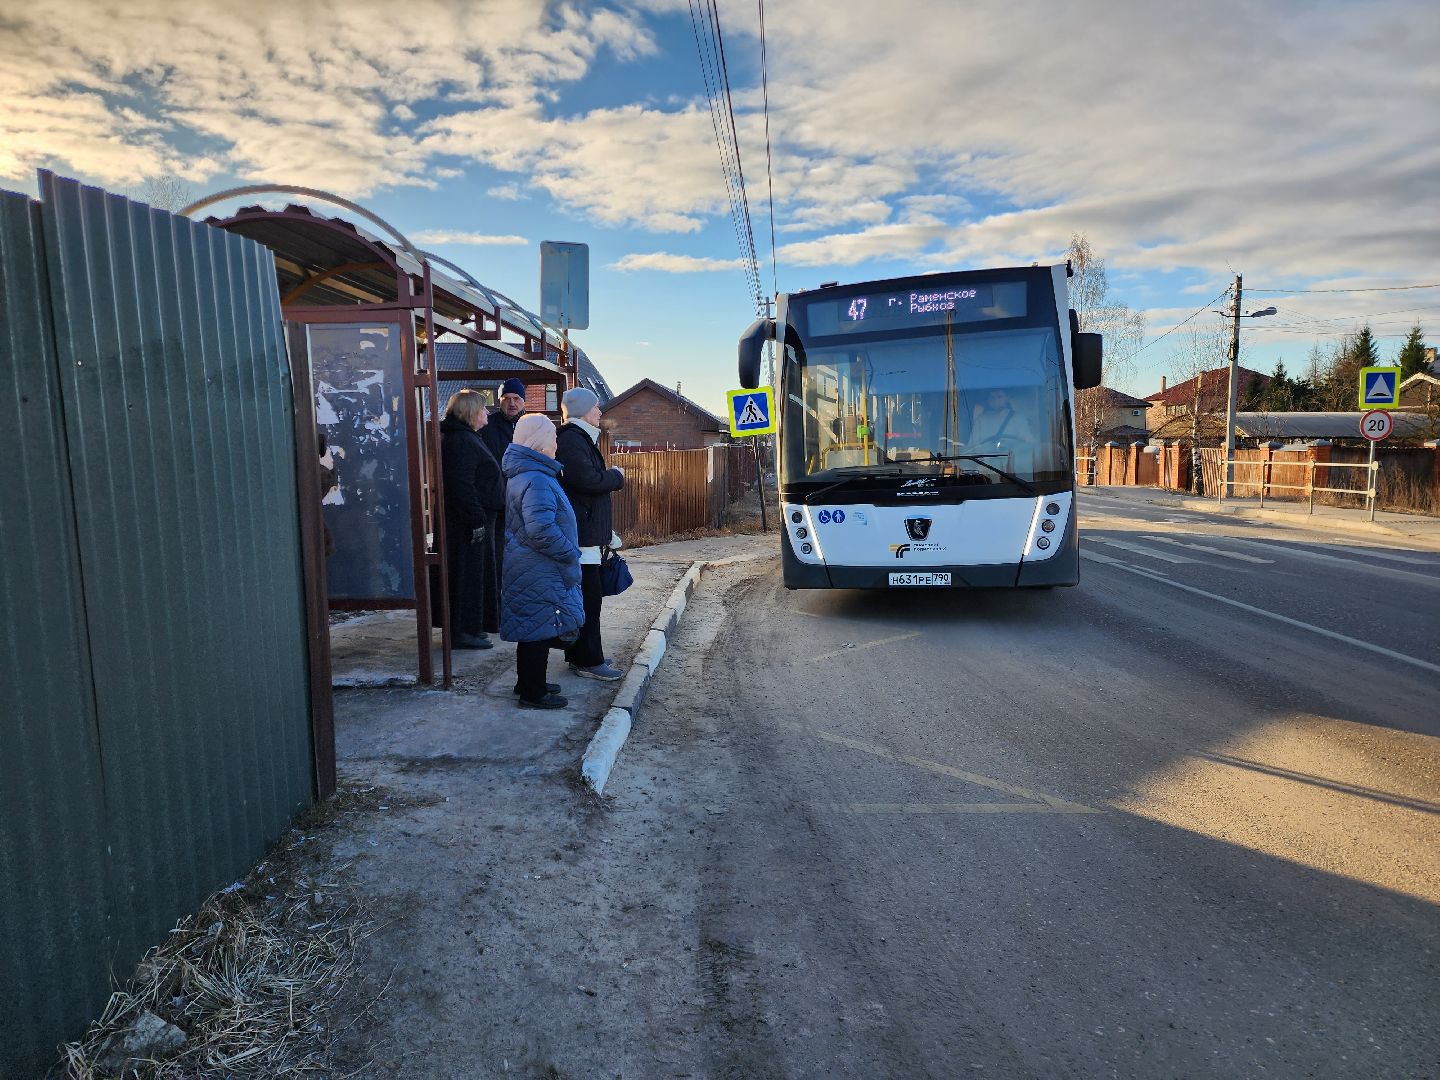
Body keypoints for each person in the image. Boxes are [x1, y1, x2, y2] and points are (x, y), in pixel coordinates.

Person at [500, 414, 584, 709]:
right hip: (539, 565)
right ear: (537, 441)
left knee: (533, 625)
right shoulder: (536, 478)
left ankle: (528, 682)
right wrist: (569, 552)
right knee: (538, 627)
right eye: (552, 436)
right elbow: (541, 529)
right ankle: (532, 693)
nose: (556, 442)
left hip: (530, 564)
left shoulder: (530, 473)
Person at [554, 387, 626, 681]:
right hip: (581, 539)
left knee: (586, 599)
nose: (600, 412)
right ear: (584, 410)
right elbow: (585, 480)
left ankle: (581, 656)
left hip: (586, 535)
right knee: (589, 601)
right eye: (596, 407)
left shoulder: (579, 438)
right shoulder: (573, 439)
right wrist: (616, 476)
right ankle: (589, 660)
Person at [440, 389, 504, 650]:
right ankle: (463, 630)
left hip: (476, 520)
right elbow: (462, 485)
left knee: (476, 575)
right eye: (483, 408)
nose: (487, 412)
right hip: (468, 524)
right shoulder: (462, 441)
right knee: (467, 576)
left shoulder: (466, 437)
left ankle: (472, 628)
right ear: (470, 412)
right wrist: (476, 521)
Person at [969, 388, 1037, 447]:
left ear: (1007, 398)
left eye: (999, 397)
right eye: (992, 397)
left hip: (1012, 459)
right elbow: (972, 446)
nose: (996, 401)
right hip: (984, 460)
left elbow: (1030, 443)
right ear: (988, 399)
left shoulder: (1019, 419)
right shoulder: (980, 420)